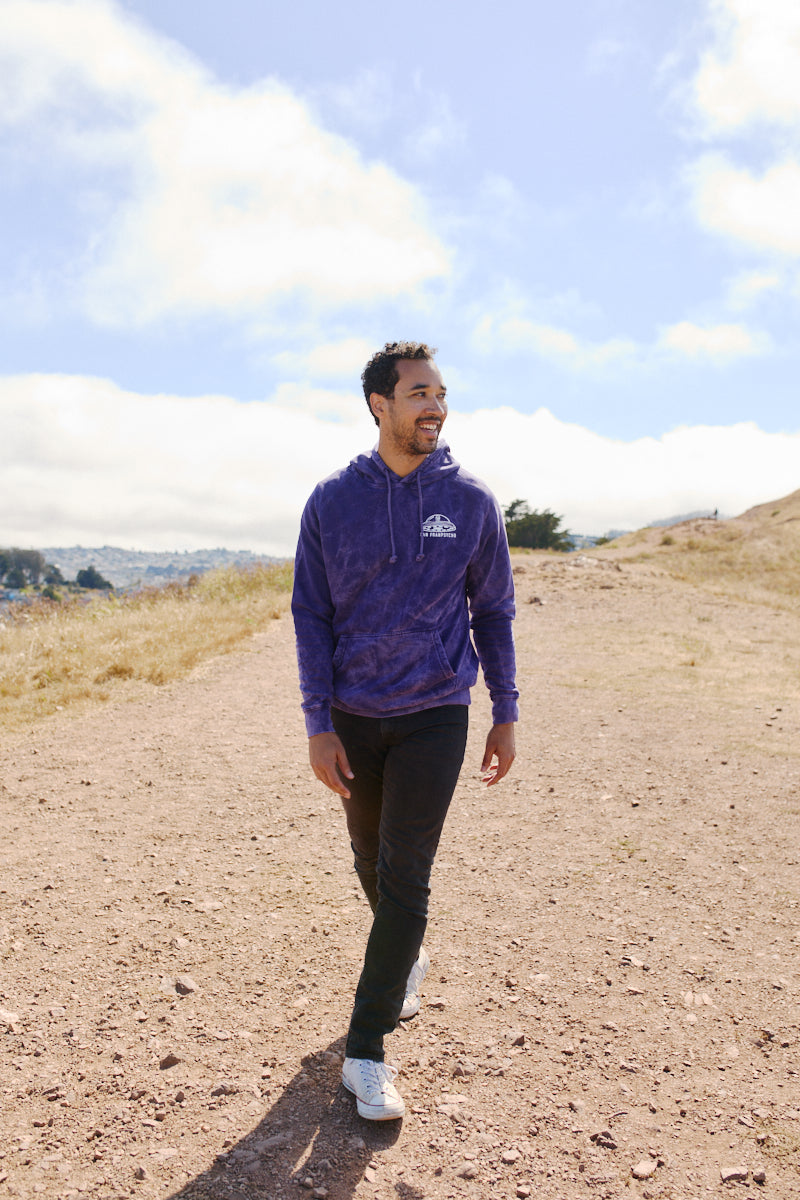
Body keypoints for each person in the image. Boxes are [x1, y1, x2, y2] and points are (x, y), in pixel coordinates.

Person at [291, 341, 518, 1121]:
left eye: (442, 393)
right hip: (354, 718)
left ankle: (365, 1050)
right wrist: (319, 722)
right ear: (379, 405)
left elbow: (492, 611)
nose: (436, 406)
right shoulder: (331, 501)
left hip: (435, 712)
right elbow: (310, 615)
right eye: (420, 393)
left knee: (407, 870)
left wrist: (506, 709)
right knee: (371, 859)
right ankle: (406, 953)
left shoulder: (473, 501)